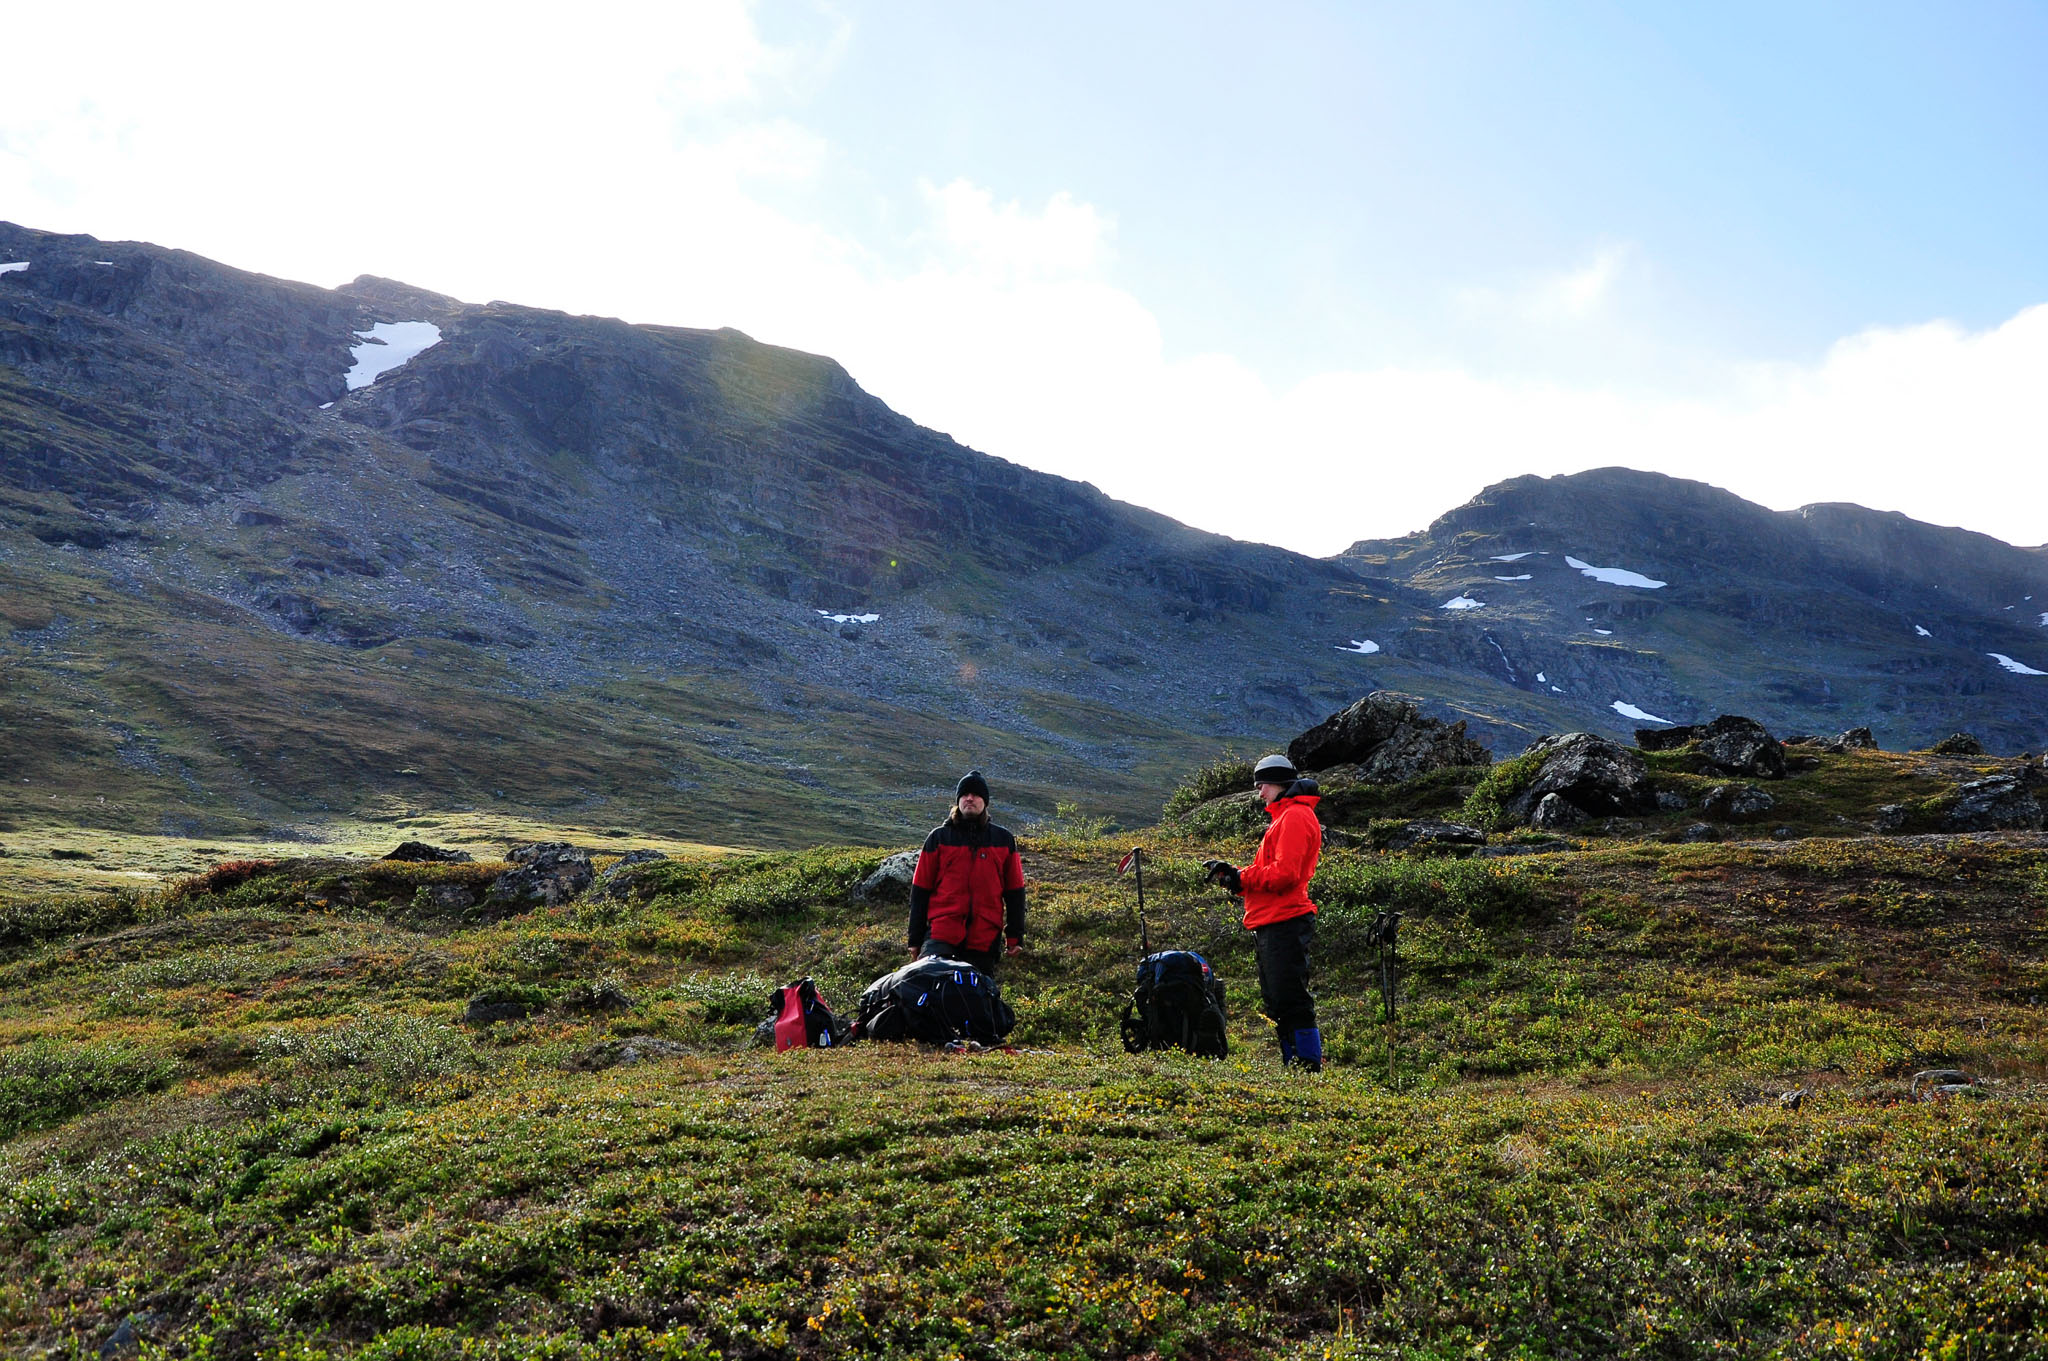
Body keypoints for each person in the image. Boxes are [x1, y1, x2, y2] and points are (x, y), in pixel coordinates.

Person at [1204, 753, 1323, 1070]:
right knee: (1277, 999)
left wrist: (1242, 877)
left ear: (1278, 783)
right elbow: (1269, 872)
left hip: (1286, 919)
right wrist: (1234, 879)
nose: (1259, 792)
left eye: (1262, 785)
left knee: (1290, 997)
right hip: (1273, 920)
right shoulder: (1284, 818)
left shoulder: (1295, 817)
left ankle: (1307, 1065)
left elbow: (1285, 874)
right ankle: (1293, 1063)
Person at [907, 769, 1026, 976]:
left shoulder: (1003, 840)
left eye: (976, 794)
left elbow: (1015, 892)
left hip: (984, 939)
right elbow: (920, 891)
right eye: (964, 794)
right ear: (957, 800)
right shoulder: (939, 838)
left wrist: (1015, 935)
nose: (969, 798)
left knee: (974, 1001)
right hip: (941, 935)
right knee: (932, 996)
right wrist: (915, 939)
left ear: (985, 802)